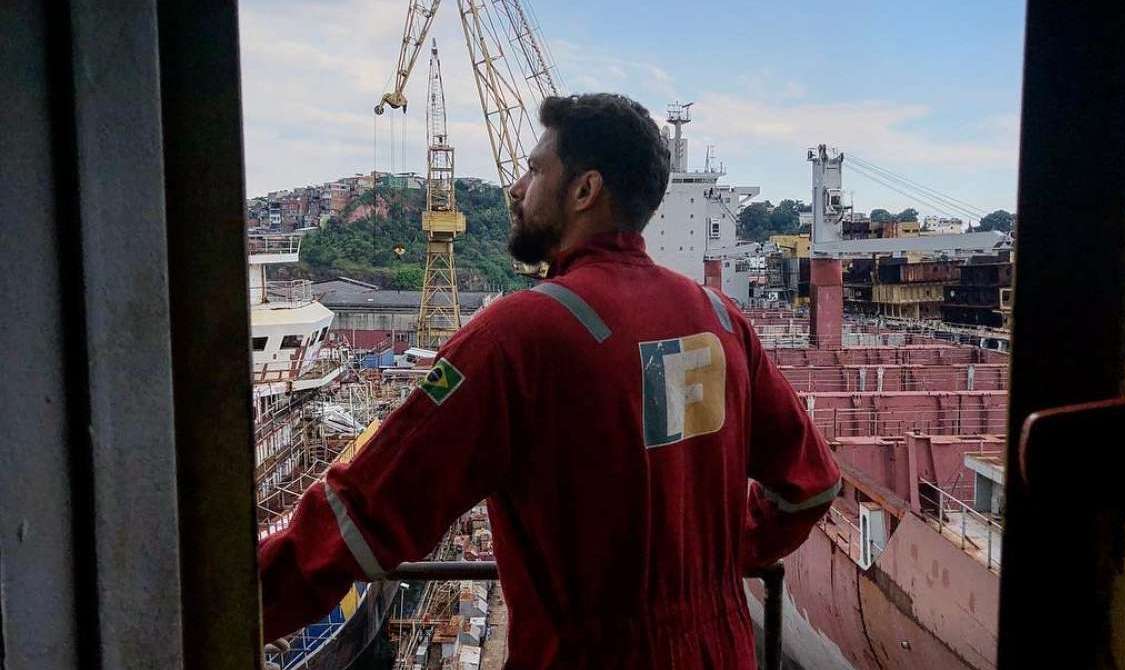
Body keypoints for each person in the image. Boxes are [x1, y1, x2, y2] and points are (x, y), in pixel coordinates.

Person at [259, 93, 841, 668]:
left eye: (535, 170)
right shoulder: (720, 320)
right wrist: (724, 557)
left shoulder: (516, 338)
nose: (516, 188)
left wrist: (244, 602)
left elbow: (368, 510)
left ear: (585, 191)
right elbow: (813, 483)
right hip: (724, 650)